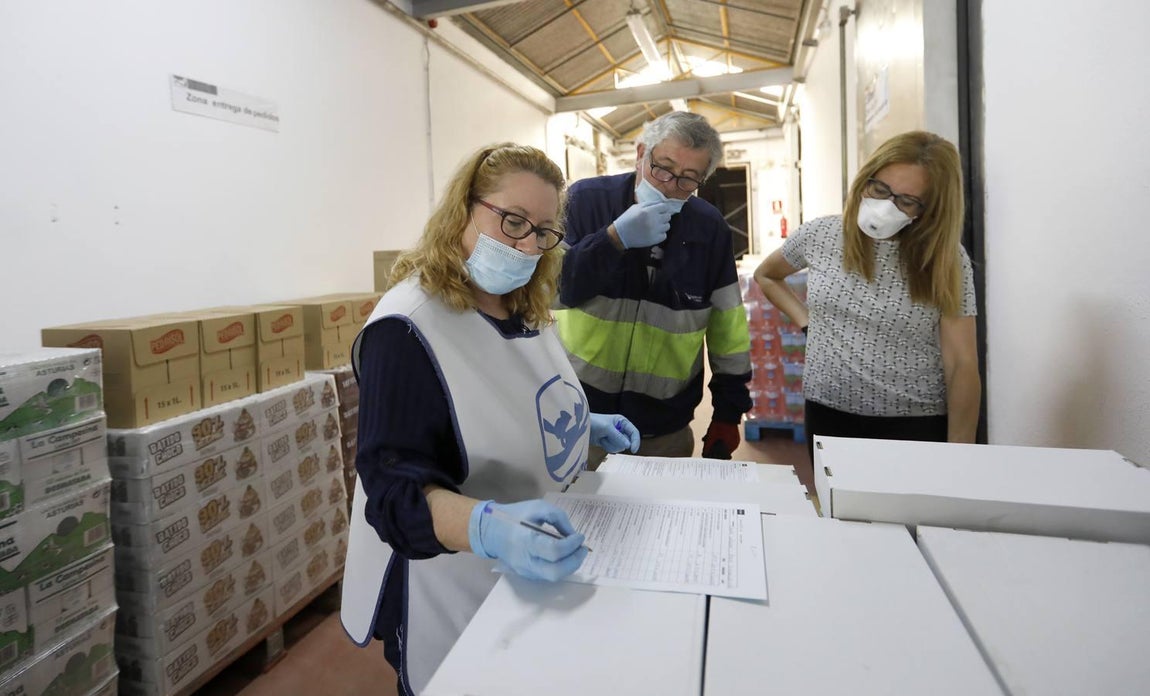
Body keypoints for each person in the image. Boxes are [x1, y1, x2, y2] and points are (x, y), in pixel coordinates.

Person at [343, 143, 641, 695]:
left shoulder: (520, 301)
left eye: (544, 230)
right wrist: (486, 526)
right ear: (463, 211)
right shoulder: (408, 328)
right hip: (451, 580)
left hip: (531, 577)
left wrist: (582, 424)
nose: (527, 244)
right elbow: (392, 491)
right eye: (512, 220)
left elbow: (509, 396)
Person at [753, 130, 980, 462]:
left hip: (913, 427)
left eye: (906, 200)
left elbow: (962, 364)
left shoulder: (944, 258)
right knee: (838, 512)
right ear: (865, 180)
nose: (885, 206)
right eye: (880, 189)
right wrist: (807, 322)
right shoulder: (820, 235)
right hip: (828, 415)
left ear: (928, 209)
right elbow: (767, 275)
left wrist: (962, 456)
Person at [555, 111, 752, 466]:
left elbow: (728, 328)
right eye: (661, 168)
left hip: (664, 430)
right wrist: (612, 239)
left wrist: (728, 411)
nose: (668, 185)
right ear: (641, 152)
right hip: (578, 419)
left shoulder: (709, 231)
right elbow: (553, 289)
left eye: (687, 179)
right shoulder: (585, 202)